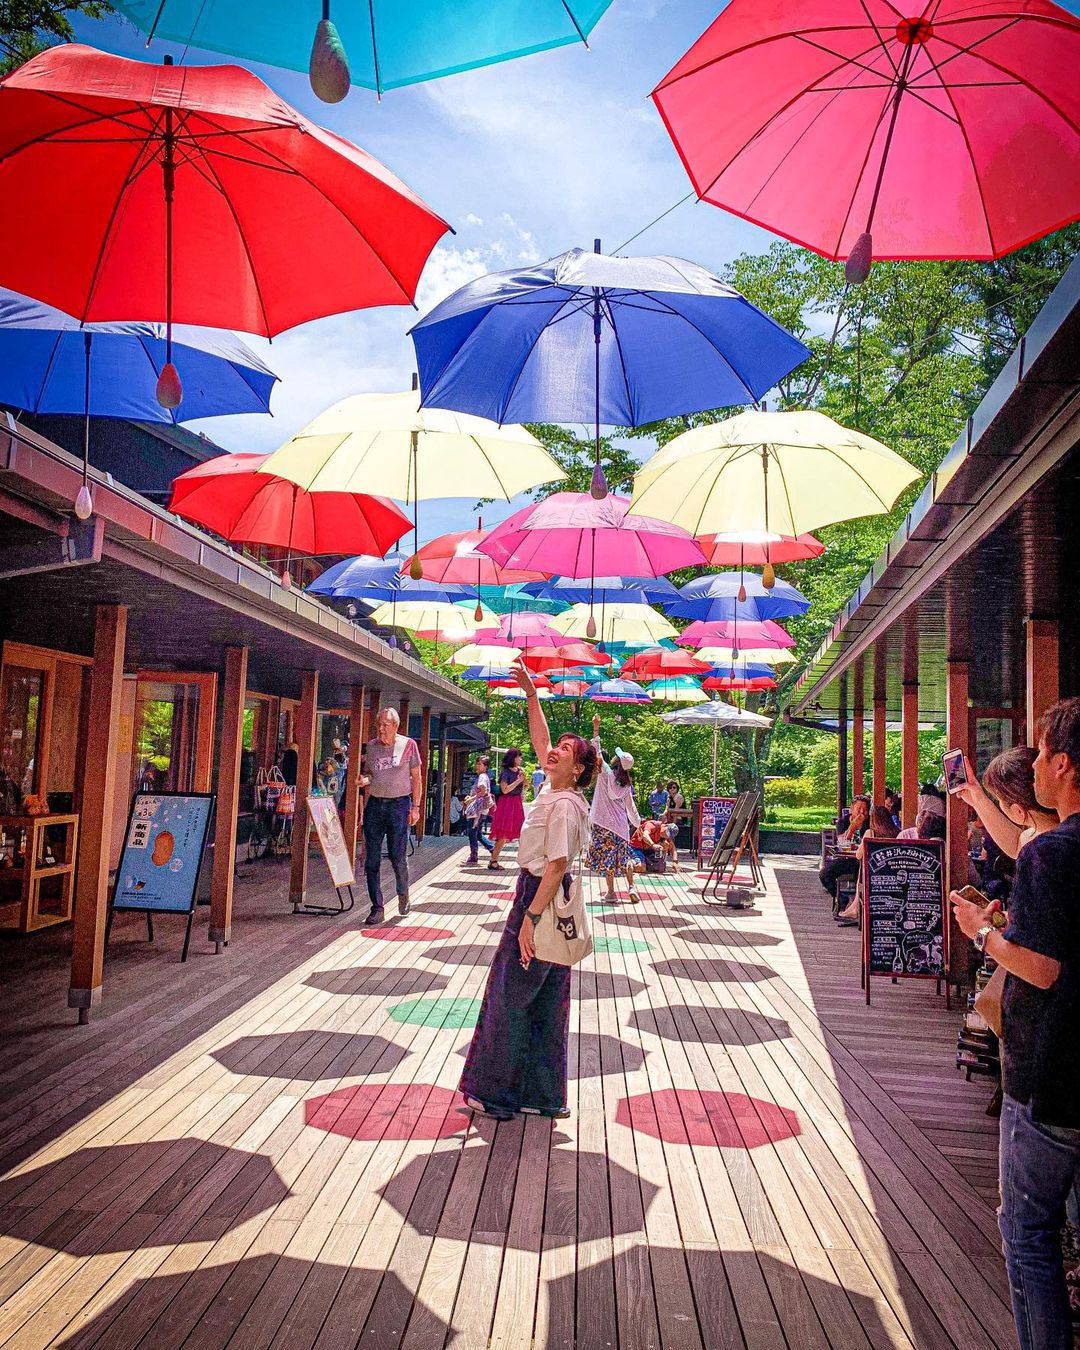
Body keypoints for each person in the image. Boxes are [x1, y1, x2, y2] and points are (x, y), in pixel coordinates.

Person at [951, 702, 1080, 1350]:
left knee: (1029, 1238)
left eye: (1038, 752)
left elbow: (1044, 968)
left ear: (1062, 762)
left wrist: (984, 934)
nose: (1033, 766)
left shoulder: (1051, 853)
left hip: (1050, 1072)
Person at [460, 661, 596, 1122]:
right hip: (549, 898)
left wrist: (529, 920)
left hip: (538, 897)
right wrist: (533, 695)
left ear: (577, 770)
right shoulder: (561, 793)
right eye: (555, 746)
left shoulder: (561, 805)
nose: (552, 751)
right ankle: (542, 1094)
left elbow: (556, 867)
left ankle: (495, 1093)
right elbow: (541, 741)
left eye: (565, 750)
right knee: (546, 998)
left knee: (510, 994)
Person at [361, 708, 422, 922]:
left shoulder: (408, 745)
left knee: (398, 856)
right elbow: (370, 773)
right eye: (379, 724)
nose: (381, 729)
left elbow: (417, 778)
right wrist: (364, 780)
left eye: (385, 725)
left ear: (396, 726)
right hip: (375, 805)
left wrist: (415, 807)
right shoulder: (372, 746)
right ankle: (377, 907)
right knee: (372, 859)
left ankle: (403, 894)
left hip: (399, 804)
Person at [586, 713, 641, 903]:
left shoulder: (606, 774)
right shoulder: (626, 786)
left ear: (615, 762)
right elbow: (631, 809)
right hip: (621, 826)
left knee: (609, 858)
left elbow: (597, 751)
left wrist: (596, 727)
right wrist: (638, 824)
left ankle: (611, 893)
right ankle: (632, 886)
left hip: (603, 824)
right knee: (624, 856)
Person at [836, 805, 899, 923]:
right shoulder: (898, 833)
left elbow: (858, 855)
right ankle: (854, 907)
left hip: (873, 877)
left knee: (863, 867)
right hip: (894, 876)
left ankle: (855, 908)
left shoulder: (870, 833)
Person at [819, 794, 869, 900]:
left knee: (862, 876)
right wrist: (853, 827)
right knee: (825, 874)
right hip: (846, 859)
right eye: (859, 808)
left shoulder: (869, 823)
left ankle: (858, 903)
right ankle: (841, 900)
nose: (862, 812)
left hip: (863, 860)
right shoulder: (843, 821)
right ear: (851, 809)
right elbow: (842, 842)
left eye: (865, 809)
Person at [489, 748, 527, 870]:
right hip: (507, 803)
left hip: (517, 803)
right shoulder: (505, 772)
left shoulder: (519, 771)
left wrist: (523, 780)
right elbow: (505, 790)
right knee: (503, 834)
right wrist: (518, 781)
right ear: (513, 758)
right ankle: (493, 860)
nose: (520, 759)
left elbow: (525, 787)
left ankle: (525, 860)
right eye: (518, 757)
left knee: (522, 832)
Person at [463, 754, 494, 864]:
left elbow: (483, 791)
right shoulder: (483, 776)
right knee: (477, 833)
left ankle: (475, 854)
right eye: (477, 763)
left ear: (485, 766)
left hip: (478, 810)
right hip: (480, 809)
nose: (477, 766)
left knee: (473, 832)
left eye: (479, 764)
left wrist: (471, 799)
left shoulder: (482, 777)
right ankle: (492, 849)